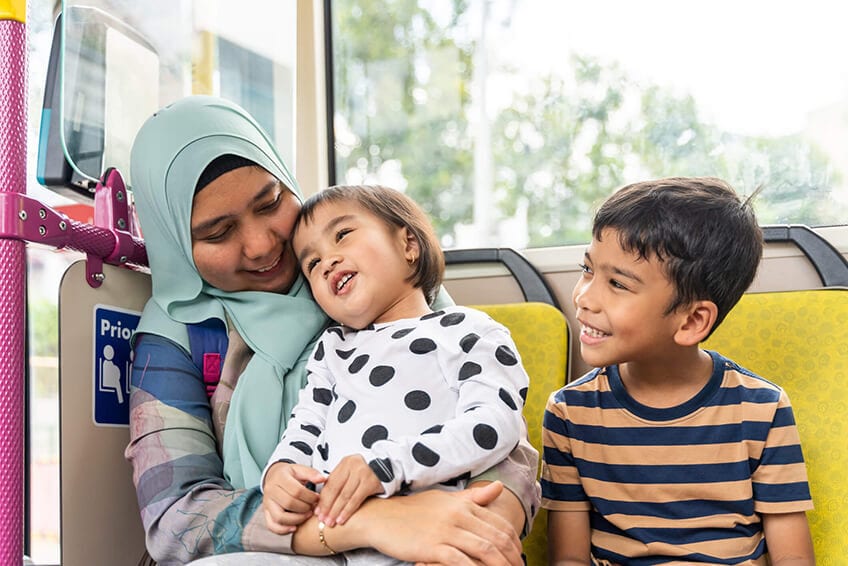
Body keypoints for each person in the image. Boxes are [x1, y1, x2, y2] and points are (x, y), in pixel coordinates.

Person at [125, 95, 540, 566]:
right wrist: (372, 522)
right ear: (176, 241)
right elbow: (176, 519)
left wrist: (473, 532)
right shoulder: (175, 336)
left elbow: (503, 437)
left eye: (271, 202)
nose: (262, 245)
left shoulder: (371, 277)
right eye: (218, 233)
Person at [541, 177, 815, 565]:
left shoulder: (763, 409)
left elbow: (793, 560)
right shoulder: (569, 412)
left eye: (617, 283)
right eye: (587, 269)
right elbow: (569, 559)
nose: (584, 297)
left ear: (691, 321)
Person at [260, 185, 531, 563]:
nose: (327, 262)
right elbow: (304, 426)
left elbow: (495, 424)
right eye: (311, 263)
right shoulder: (331, 350)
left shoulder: (468, 330)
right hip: (343, 547)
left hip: (445, 537)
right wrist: (281, 473)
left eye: (342, 235)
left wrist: (388, 465)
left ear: (408, 245)